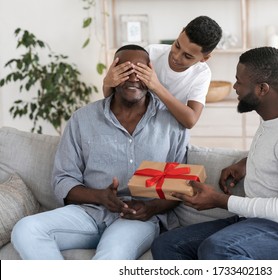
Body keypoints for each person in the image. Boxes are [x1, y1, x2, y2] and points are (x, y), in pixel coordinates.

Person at [11, 45, 188, 260]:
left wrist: (150, 209)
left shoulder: (171, 123)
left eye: (140, 70)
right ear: (112, 73)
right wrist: (100, 197)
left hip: (139, 220)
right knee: (26, 229)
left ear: (151, 74)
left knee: (111, 255)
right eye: (125, 69)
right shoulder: (82, 119)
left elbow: (179, 186)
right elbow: (63, 180)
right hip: (89, 212)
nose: (133, 77)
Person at [151, 47, 278, 260]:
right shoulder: (274, 118)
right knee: (168, 244)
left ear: (262, 89)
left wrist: (221, 200)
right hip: (255, 220)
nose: (234, 87)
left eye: (239, 82)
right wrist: (246, 163)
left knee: (217, 249)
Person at [103, 15, 222, 129]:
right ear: (181, 32)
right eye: (177, 45)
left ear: (204, 58)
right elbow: (113, 98)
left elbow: (190, 121)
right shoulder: (150, 53)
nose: (176, 56)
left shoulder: (201, 74)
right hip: (136, 123)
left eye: (187, 56)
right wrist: (107, 83)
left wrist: (157, 87)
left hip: (169, 129)